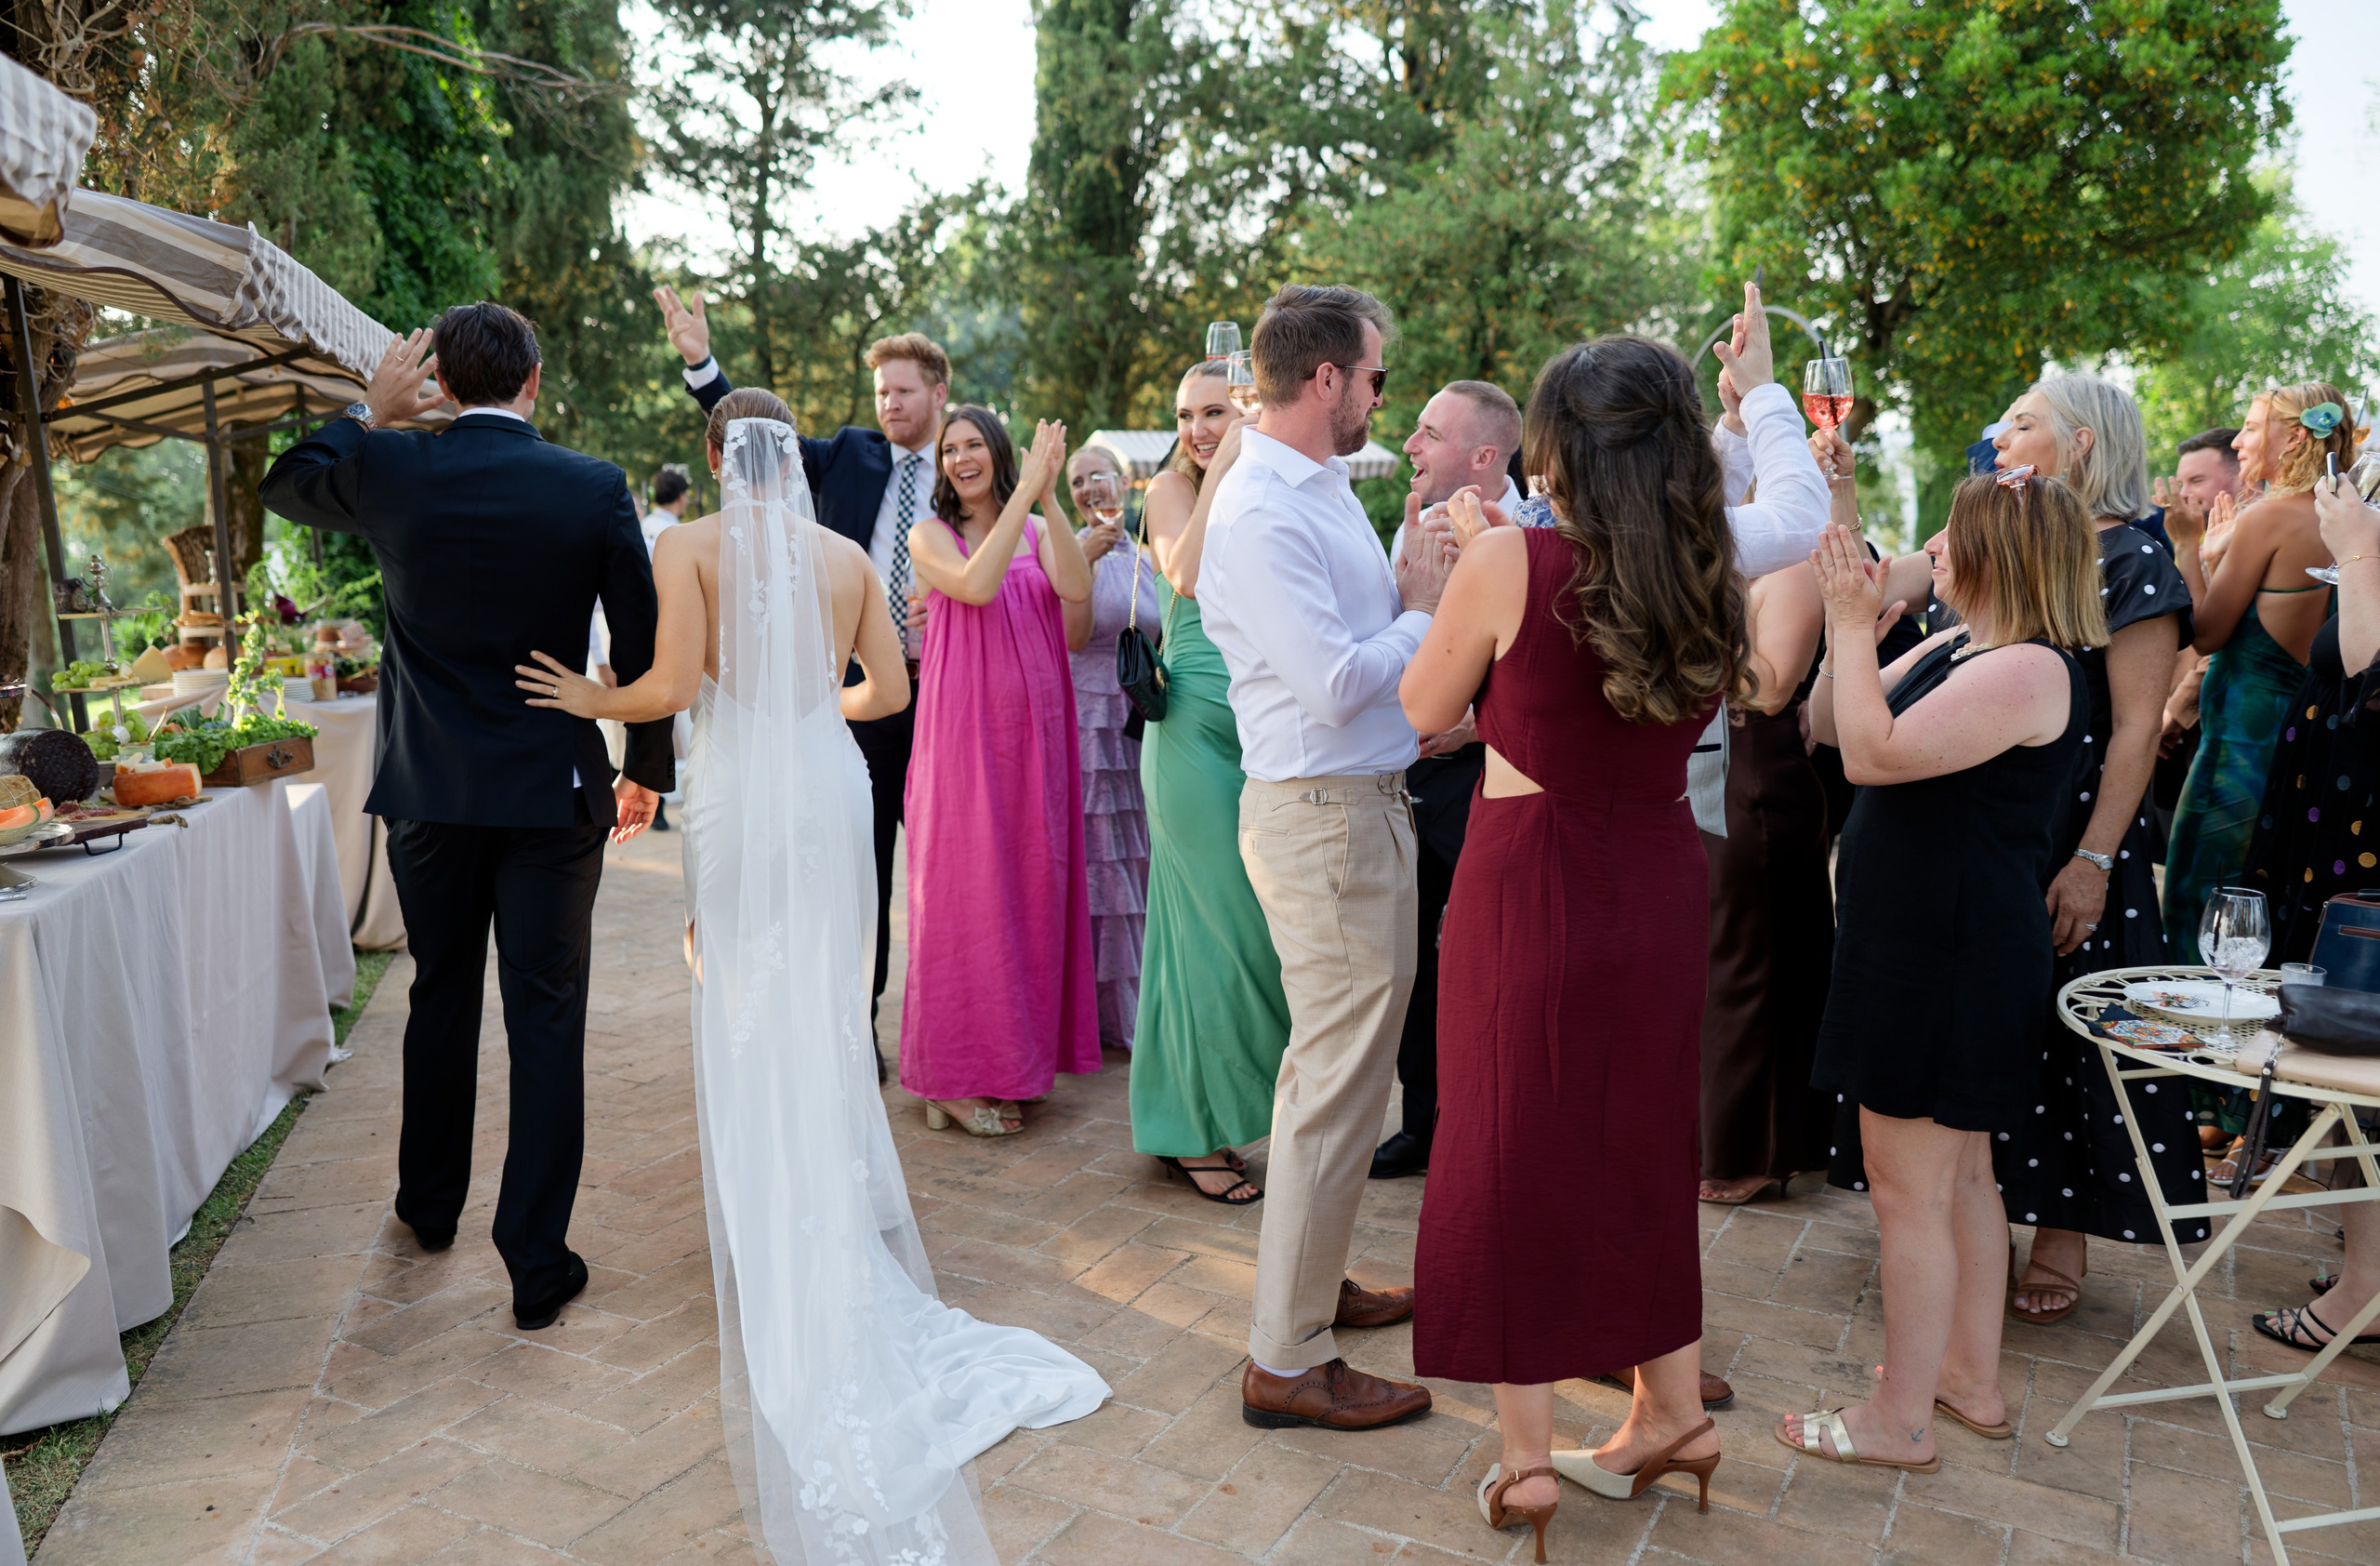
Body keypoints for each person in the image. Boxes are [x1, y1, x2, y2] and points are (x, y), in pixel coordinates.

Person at [511, 388, 1109, 1566]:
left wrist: (589, 700)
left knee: (741, 986)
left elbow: (674, 687)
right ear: (797, 456)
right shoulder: (844, 553)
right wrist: (806, 716)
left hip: (739, 785)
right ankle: (832, 1193)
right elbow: (887, 693)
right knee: (833, 999)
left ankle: (767, 1195)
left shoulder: (685, 544)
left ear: (716, 458)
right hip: (828, 784)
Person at [1408, 331, 1780, 1552]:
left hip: (1534, 886)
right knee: (1637, 1142)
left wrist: (1472, 568)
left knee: (1509, 1146)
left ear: (1559, 445)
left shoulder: (1514, 559)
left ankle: (1525, 1466)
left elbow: (1425, 709)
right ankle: (1672, 1413)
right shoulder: (1707, 565)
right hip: (1662, 880)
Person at [257, 304, 677, 1331]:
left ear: (438, 376)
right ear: (535, 379)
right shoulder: (589, 487)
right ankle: (535, 1262)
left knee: (440, 991)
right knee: (544, 1017)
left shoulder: (394, 469)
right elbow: (644, 636)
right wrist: (645, 770)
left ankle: (428, 1204)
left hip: (431, 795)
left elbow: (284, 484)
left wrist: (371, 413)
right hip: (549, 791)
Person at [1858, 374, 2204, 1324]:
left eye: (2021, 420)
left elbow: (2137, 727)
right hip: (1980, 803)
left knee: (2067, 1029)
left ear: (2084, 443)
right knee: (1981, 1028)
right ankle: (1966, 1230)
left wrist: (2091, 861)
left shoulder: (2133, 560)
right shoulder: (1993, 538)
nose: (1997, 432)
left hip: (2075, 817)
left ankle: (2062, 1231)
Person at [1789, 471, 2098, 1475]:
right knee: (1960, 1178)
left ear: (2001, 556)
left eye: (1952, 535)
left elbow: (1871, 756)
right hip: (1924, 942)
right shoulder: (1960, 644)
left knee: (1906, 1190)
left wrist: (1845, 618)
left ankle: (1900, 1416)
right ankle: (1969, 1380)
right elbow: (1828, 727)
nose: (1936, 547)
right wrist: (1863, 622)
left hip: (1945, 953)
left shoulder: (2029, 670)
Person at [1198, 284, 1448, 1429]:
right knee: (1332, 1085)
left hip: (1353, 804)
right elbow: (1338, 680)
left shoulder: (1317, 482)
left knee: (1344, 1076)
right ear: (1326, 381)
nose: (1382, 400)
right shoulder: (1261, 510)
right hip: (1323, 812)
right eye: (1376, 377)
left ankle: (1312, 1284)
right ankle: (1286, 1358)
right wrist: (1422, 604)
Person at [654, 287, 945, 1039]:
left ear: (939, 394)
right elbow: (753, 441)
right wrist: (700, 363)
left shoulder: (971, 460)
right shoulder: (847, 453)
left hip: (954, 694)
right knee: (861, 866)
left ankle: (947, 1034)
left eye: (904, 391)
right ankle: (859, 1024)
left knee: (950, 872)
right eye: (882, 391)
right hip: (854, 695)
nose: (889, 404)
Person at [900, 408, 1100, 1135]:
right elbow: (977, 587)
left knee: (1027, 891)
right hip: (962, 740)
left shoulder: (1041, 528)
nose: (959, 458)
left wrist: (1047, 496)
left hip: (1037, 742)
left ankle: (1011, 1062)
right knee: (963, 897)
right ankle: (948, 1078)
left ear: (999, 451)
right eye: (949, 449)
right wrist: (1026, 496)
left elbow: (1076, 592)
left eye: (973, 444)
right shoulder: (930, 538)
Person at [1125, 360, 1289, 1206]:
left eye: (1215, 412)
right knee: (1217, 928)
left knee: (1224, 929)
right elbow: (1181, 575)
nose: (1197, 428)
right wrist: (1220, 463)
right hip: (1190, 725)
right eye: (1188, 415)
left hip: (1260, 717)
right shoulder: (1168, 489)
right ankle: (1195, 1134)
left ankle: (1185, 1116)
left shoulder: (1272, 485)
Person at [1370, 380, 1524, 1183]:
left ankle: (1490, 1126)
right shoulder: (1409, 528)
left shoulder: (1538, 534)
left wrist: (1474, 723)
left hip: (1490, 785)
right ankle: (1423, 1124)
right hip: (1411, 779)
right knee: (1415, 968)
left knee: (1489, 964)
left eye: (1428, 434)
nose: (1410, 446)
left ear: (1484, 456)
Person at [2247, 470, 2380, 1357]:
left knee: (2364, 1072)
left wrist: (2358, 550)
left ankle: (2363, 1296)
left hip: (2366, 853)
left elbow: (2373, 694)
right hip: (2334, 836)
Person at [2164, 383, 2359, 954]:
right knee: (2265, 912)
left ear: (2295, 435)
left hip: (2237, 755)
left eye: (2250, 428)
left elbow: (2206, 633)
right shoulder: (2353, 521)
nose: (2241, 441)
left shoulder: (2268, 519)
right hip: (2307, 749)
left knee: (2198, 904)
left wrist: (2189, 551)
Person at [1062, 444, 1158, 1050]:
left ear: (1123, 482)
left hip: (1143, 720)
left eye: (1098, 474)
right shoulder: (1067, 552)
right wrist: (1086, 560)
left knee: (1140, 856)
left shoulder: (1153, 557)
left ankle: (1141, 1004)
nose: (1089, 487)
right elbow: (1070, 637)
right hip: (1085, 717)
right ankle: (1095, 1016)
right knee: (1097, 857)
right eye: (1076, 480)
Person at [2152, 429, 2248, 838]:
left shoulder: (2247, 535)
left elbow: (2215, 639)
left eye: (2197, 481)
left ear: (2239, 476)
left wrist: (2176, 710)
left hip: (2218, 722)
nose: (2184, 495)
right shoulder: (2194, 532)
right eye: (2181, 482)